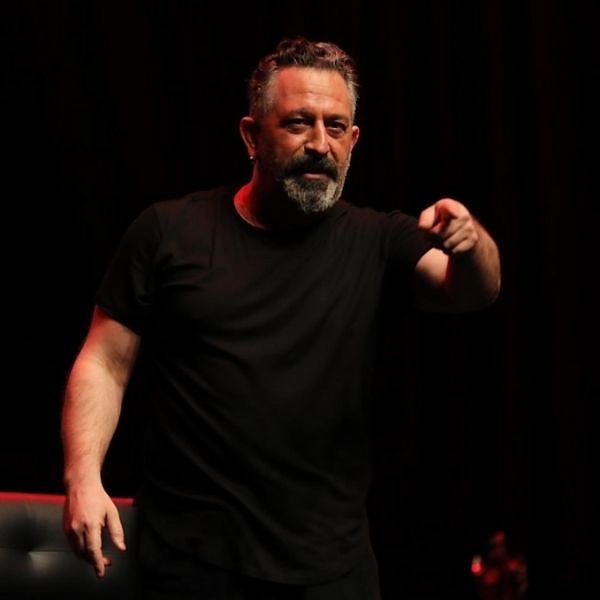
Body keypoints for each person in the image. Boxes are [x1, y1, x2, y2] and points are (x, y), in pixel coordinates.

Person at [61, 35, 501, 600]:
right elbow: (104, 363)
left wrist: (471, 243)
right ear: (251, 136)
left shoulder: (377, 239)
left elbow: (473, 291)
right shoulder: (170, 232)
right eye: (298, 123)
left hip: (331, 568)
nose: (320, 143)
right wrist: (82, 477)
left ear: (353, 140)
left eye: (336, 127)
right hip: (191, 561)